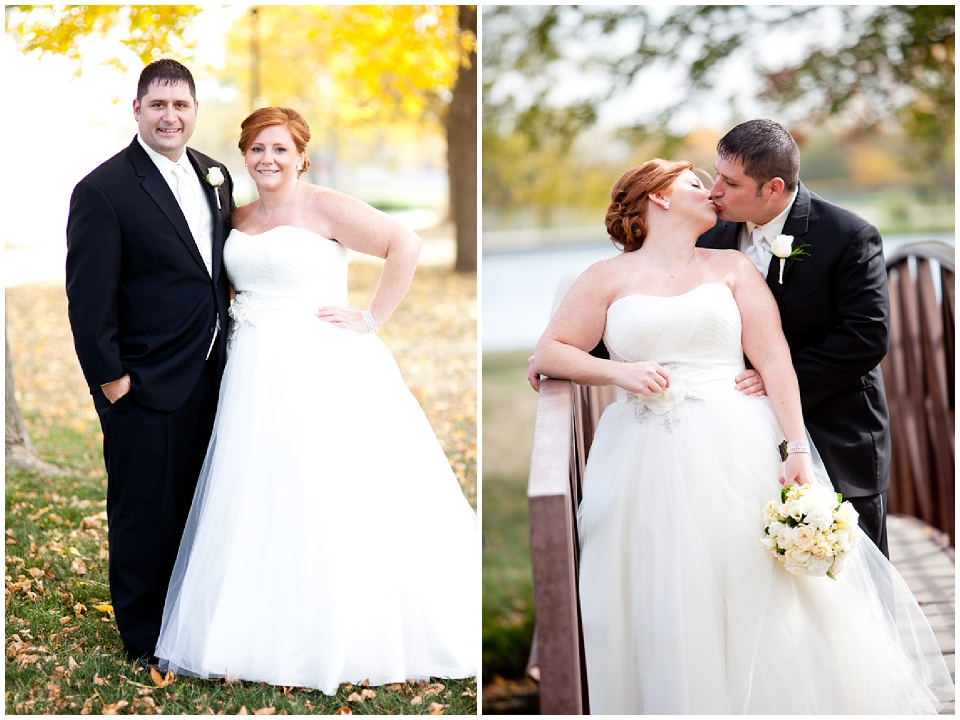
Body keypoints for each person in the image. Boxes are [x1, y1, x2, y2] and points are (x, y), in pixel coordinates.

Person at [532, 159, 952, 713]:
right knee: (668, 592)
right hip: (643, 456)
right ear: (658, 200)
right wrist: (619, 372)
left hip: (738, 444)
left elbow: (775, 359)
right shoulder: (605, 278)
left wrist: (798, 448)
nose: (712, 193)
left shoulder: (731, 265)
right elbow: (552, 350)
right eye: (695, 184)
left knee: (757, 584)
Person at [154, 107, 478, 693]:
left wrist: (371, 317)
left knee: (330, 487)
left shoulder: (325, 206)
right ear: (244, 156)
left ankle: (346, 630)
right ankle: (260, 628)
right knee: (261, 490)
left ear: (301, 155)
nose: (267, 159)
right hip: (252, 369)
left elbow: (404, 244)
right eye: (256, 149)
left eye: (279, 149)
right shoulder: (236, 215)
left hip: (321, 364)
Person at [66, 59, 235, 665]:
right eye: (158, 105)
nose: (170, 116)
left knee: (199, 505)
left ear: (195, 111)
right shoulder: (103, 189)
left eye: (181, 105)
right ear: (136, 109)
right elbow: (89, 302)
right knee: (144, 513)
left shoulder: (214, 174)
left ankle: (190, 623)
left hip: (216, 374)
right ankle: (143, 640)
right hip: (142, 384)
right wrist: (113, 385)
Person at [700, 118, 892, 556]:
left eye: (730, 182)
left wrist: (775, 379)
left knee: (858, 575)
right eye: (716, 176)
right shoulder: (710, 234)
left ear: (773, 188)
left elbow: (865, 336)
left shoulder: (847, 236)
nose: (714, 191)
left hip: (835, 430)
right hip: (738, 438)